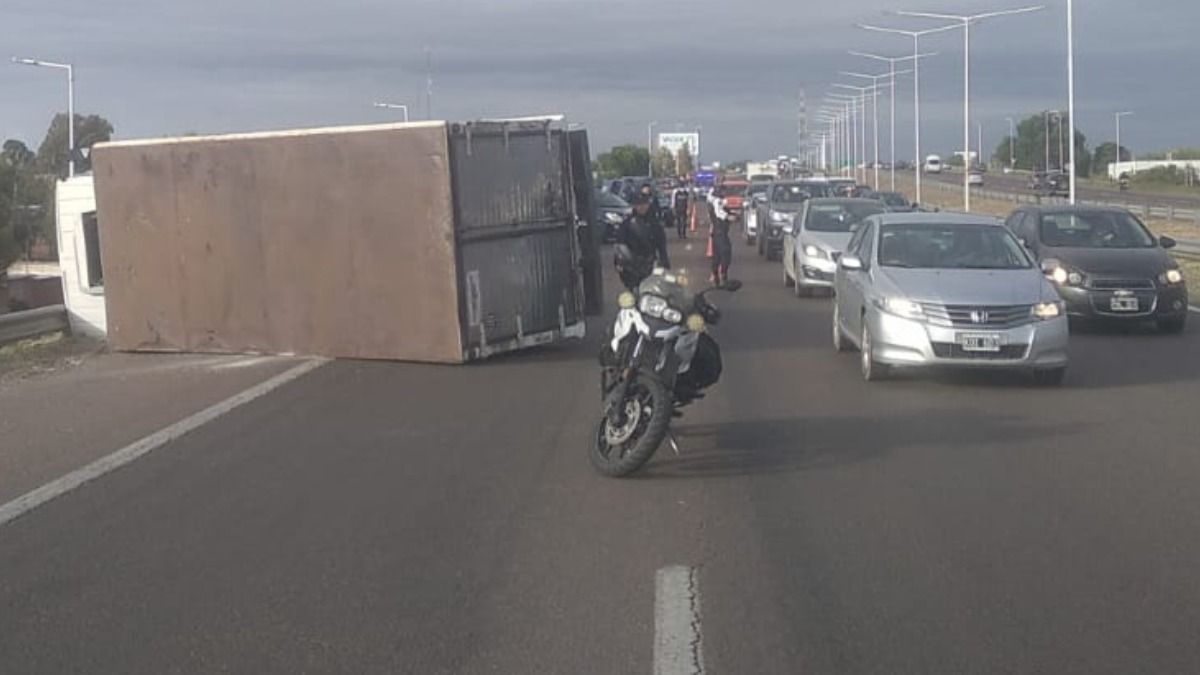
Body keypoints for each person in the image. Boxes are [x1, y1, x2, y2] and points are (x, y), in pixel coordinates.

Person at [615, 193, 671, 289]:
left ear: (648, 205)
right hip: (631, 266)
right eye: (638, 205)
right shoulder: (626, 224)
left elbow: (661, 245)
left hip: (650, 264)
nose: (641, 207)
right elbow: (620, 244)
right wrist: (618, 262)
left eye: (644, 204)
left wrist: (664, 262)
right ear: (634, 206)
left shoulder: (655, 224)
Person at [706, 187, 734, 285]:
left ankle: (717, 276)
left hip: (718, 234)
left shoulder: (717, 203)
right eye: (723, 191)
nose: (725, 193)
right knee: (725, 254)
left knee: (717, 257)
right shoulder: (717, 202)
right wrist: (729, 217)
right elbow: (720, 213)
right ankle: (722, 275)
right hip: (720, 233)